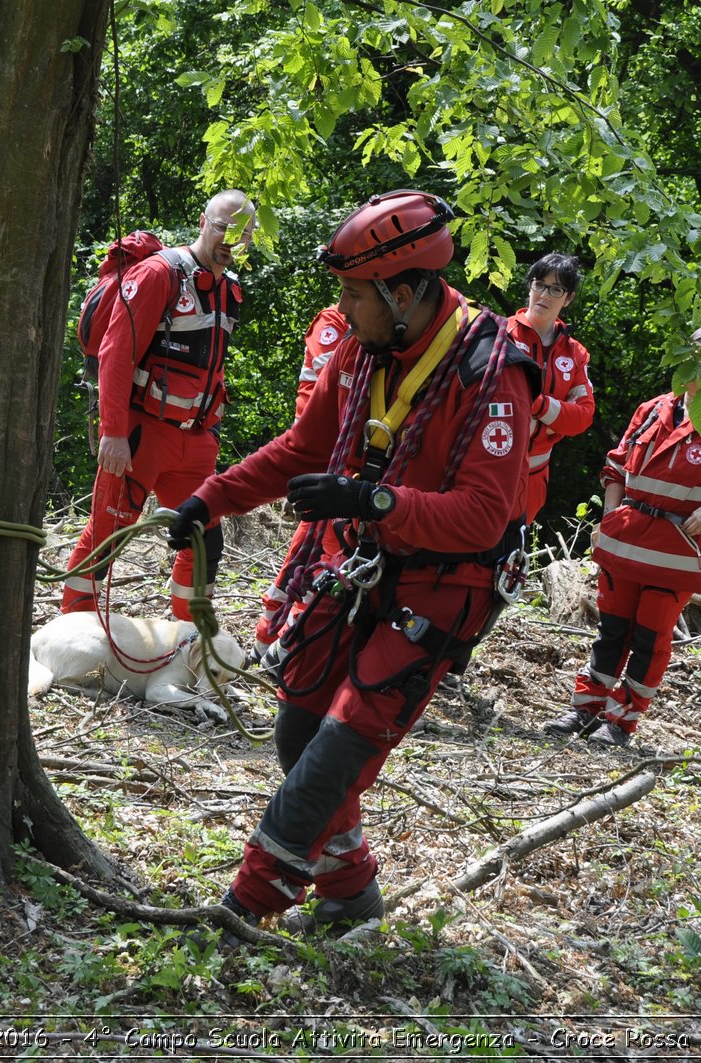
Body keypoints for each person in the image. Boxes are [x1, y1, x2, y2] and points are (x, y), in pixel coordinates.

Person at [167, 190, 539, 936]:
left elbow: (482, 514)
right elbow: (304, 449)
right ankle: (351, 894)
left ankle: (249, 902)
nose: (343, 308)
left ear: (402, 293)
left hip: (446, 584)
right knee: (299, 732)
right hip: (370, 563)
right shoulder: (362, 349)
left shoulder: (492, 369)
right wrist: (209, 500)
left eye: (353, 294)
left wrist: (372, 502)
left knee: (339, 746)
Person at [545, 327, 701, 748]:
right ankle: (584, 710)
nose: (695, 351)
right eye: (692, 343)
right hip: (624, 542)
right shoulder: (652, 409)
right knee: (611, 631)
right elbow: (616, 469)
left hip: (677, 551)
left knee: (649, 638)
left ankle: (620, 722)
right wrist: (609, 517)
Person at [60, 190, 255, 621]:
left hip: (196, 442)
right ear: (203, 221)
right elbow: (116, 352)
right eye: (223, 226)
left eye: (241, 232)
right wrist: (112, 432)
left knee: (203, 543)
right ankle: (72, 635)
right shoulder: (159, 273)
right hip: (140, 433)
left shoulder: (230, 288)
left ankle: (192, 638)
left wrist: (210, 435)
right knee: (107, 536)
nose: (230, 238)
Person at [252, 303, 348, 661]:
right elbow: (326, 394)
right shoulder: (335, 323)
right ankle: (280, 650)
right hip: (327, 459)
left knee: (309, 553)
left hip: (343, 462)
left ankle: (272, 643)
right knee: (319, 555)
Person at [504, 253, 595, 524]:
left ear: (568, 298)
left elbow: (582, 418)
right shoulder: (500, 334)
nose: (544, 294)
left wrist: (536, 405)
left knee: (512, 550)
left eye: (556, 289)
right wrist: (555, 415)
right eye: (539, 284)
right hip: (492, 466)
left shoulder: (576, 353)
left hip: (535, 475)